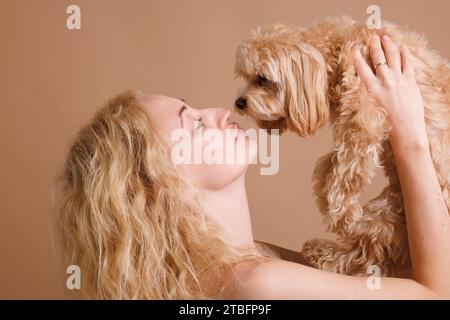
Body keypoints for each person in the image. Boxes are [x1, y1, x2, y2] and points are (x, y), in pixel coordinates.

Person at [51, 34, 450, 299]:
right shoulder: (256, 283)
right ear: (161, 184)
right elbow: (437, 295)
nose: (220, 113)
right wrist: (409, 132)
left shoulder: (242, 268)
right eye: (193, 121)